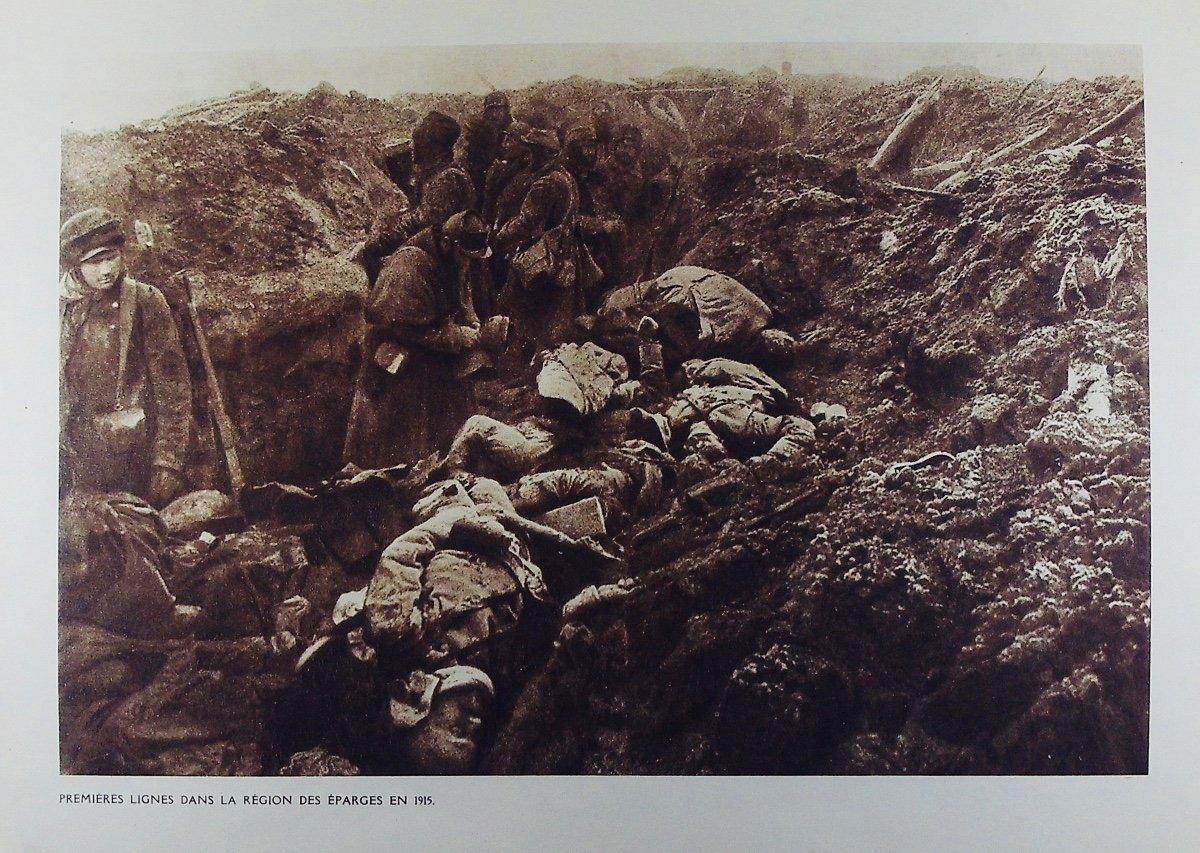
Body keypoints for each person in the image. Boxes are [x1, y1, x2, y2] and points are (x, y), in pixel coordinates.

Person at [59, 207, 192, 506]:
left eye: (110, 258)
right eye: (94, 262)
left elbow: (173, 388)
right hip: (75, 465)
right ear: (75, 267)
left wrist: (167, 462)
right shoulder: (60, 307)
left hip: (135, 463)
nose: (105, 270)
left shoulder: (143, 301)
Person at [343, 211, 495, 469]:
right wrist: (457, 335)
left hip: (431, 352)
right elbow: (402, 326)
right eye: (466, 258)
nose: (468, 265)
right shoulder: (409, 268)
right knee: (394, 450)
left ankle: (453, 465)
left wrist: (472, 323)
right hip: (396, 356)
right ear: (449, 244)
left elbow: (462, 297)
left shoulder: (453, 259)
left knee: (455, 418)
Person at [494, 125, 607, 355]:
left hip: (544, 258)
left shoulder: (545, 183)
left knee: (531, 318)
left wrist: (499, 236)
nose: (529, 157)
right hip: (564, 255)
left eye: (532, 151)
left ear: (540, 153)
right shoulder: (566, 177)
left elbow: (526, 222)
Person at [361, 111, 473, 283]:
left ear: (433, 147)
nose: (413, 147)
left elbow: (419, 223)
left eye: (417, 141)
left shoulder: (447, 180)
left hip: (451, 272)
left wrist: (375, 244)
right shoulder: (437, 175)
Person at [460, 91, 513, 206]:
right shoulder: (478, 130)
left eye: (498, 109)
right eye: (491, 109)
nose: (494, 114)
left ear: (506, 110)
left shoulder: (514, 131)